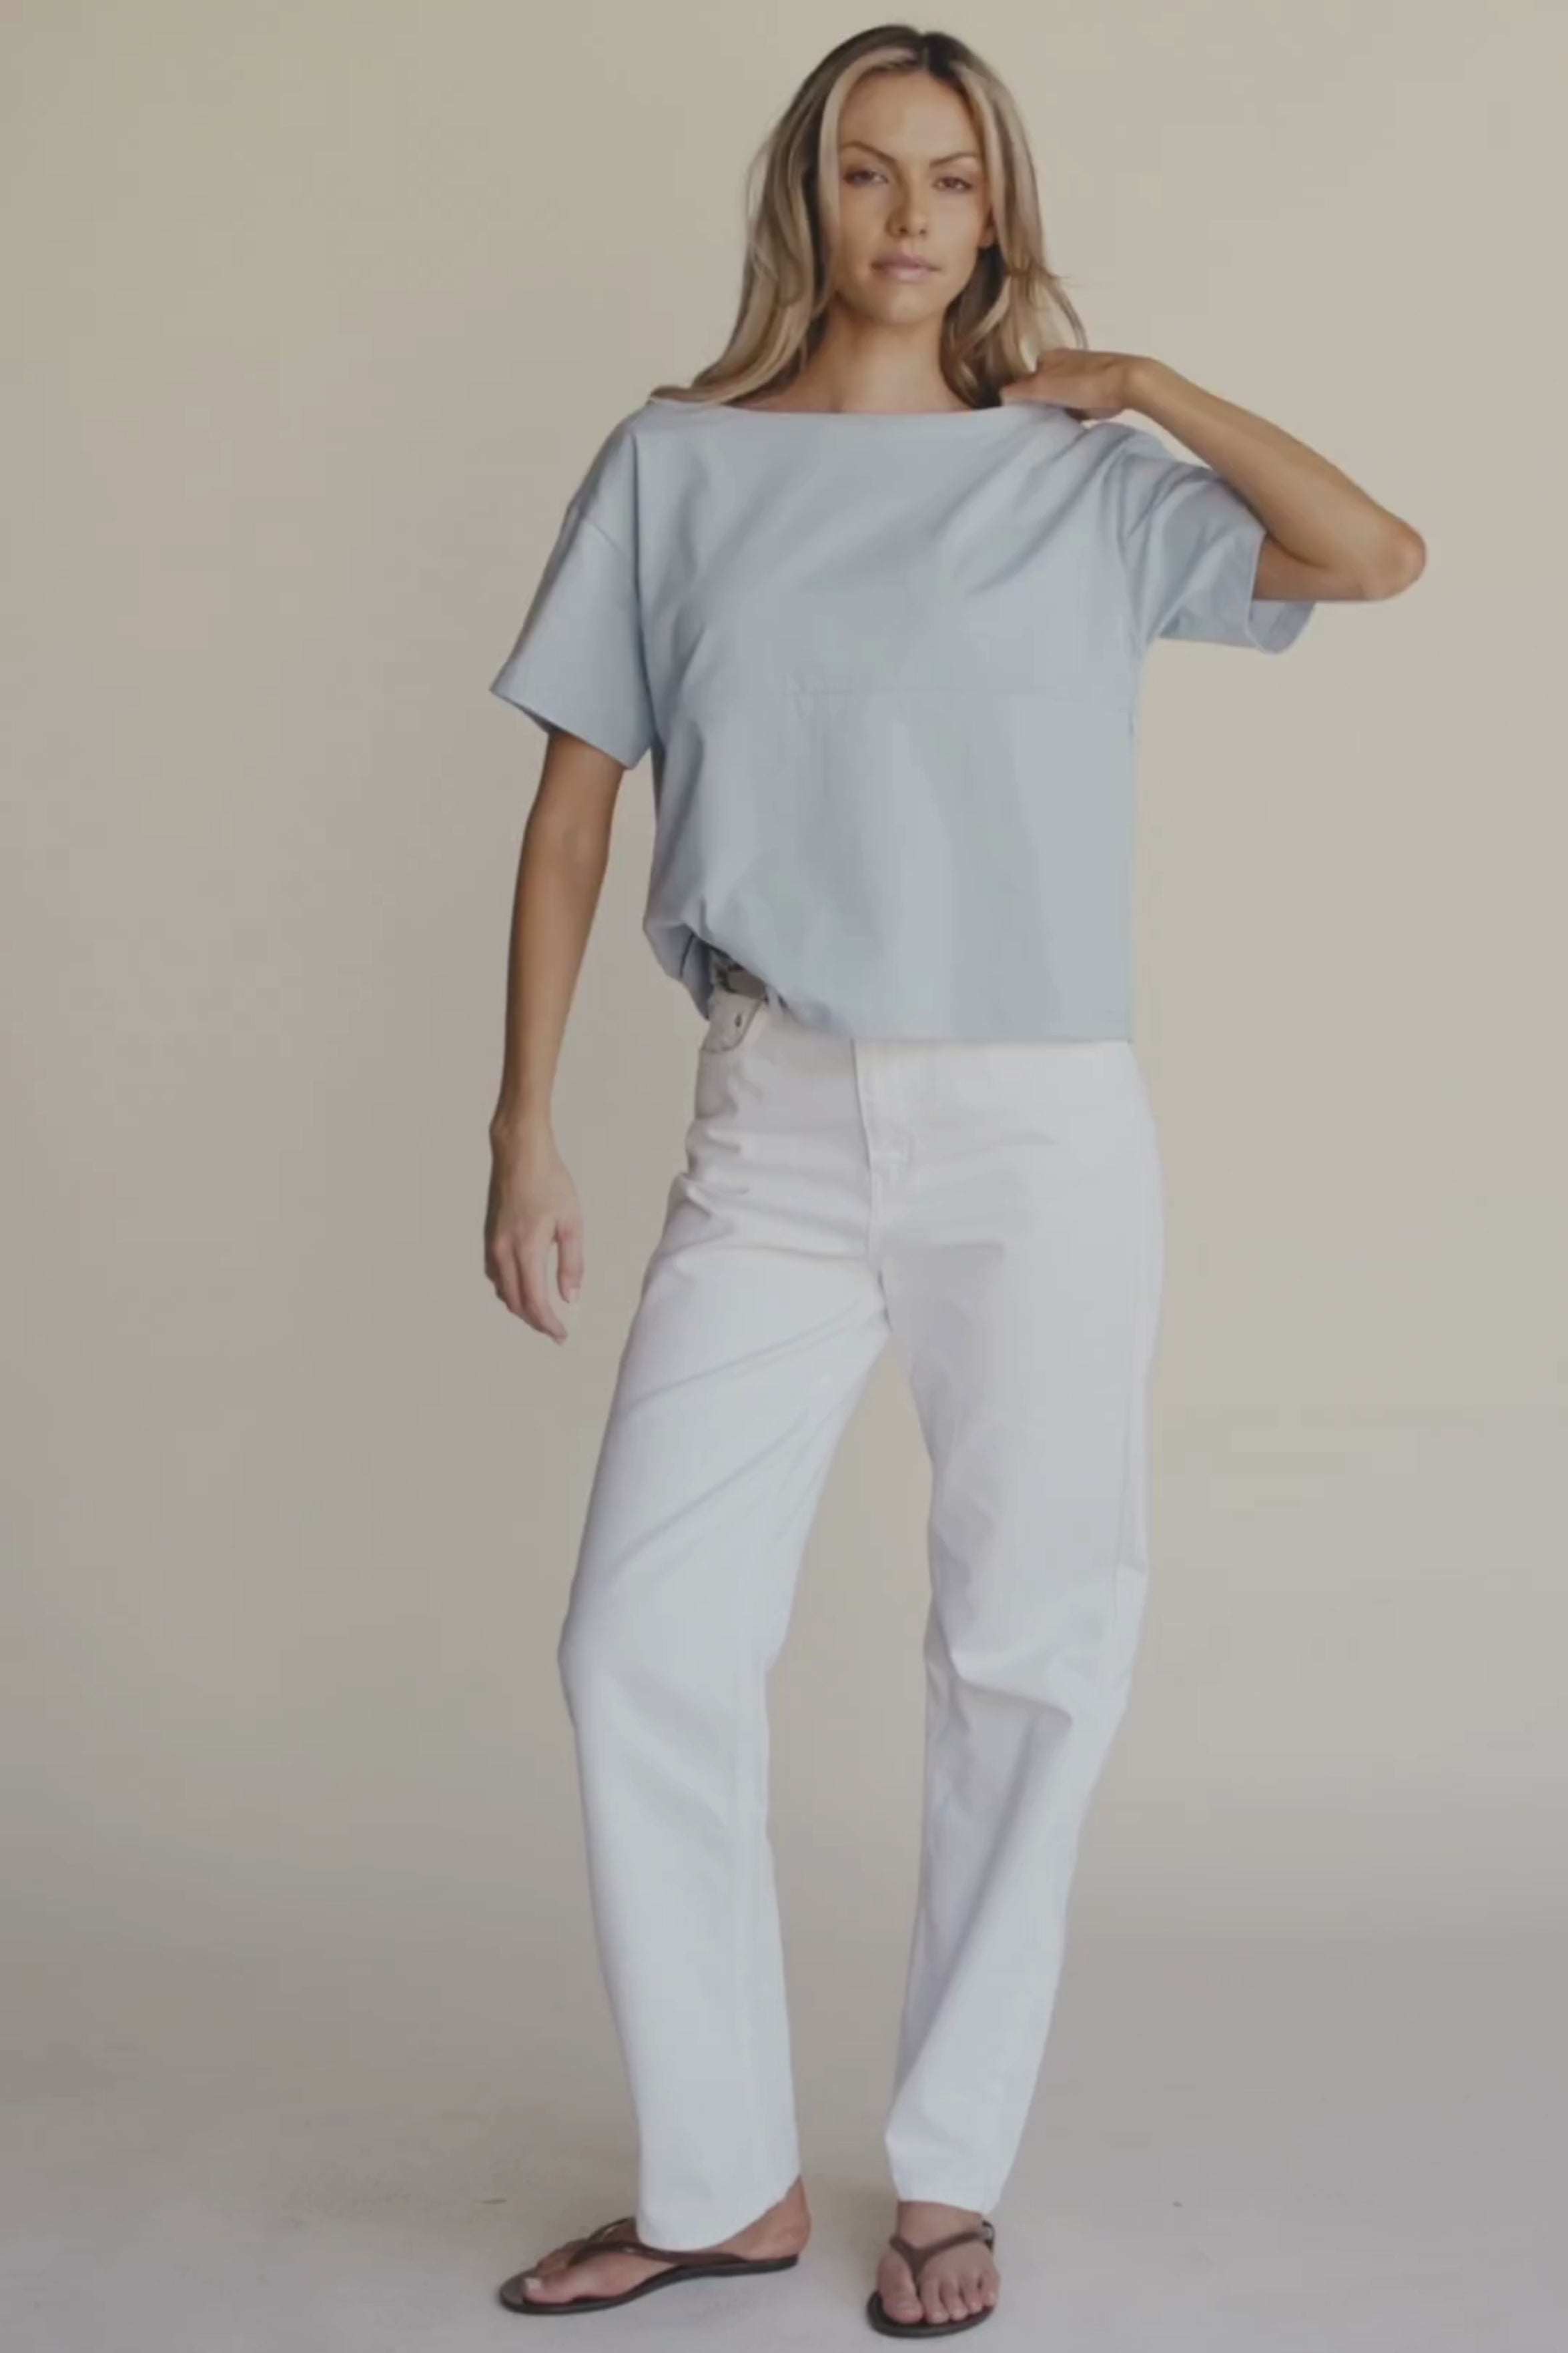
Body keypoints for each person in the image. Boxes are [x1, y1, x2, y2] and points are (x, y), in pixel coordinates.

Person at [480, 22, 1423, 2337]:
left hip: (1038, 1123)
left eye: (955, 179)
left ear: (1001, 214)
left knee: (1029, 1642)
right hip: (774, 1112)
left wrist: (1152, 384)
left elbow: (1374, 554)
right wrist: (521, 1119)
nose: (910, 218)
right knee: (640, 1642)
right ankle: (718, 2180)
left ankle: (948, 2175)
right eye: (868, 172)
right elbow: (577, 812)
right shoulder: (676, 464)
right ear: (802, 198)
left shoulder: (1080, 480)